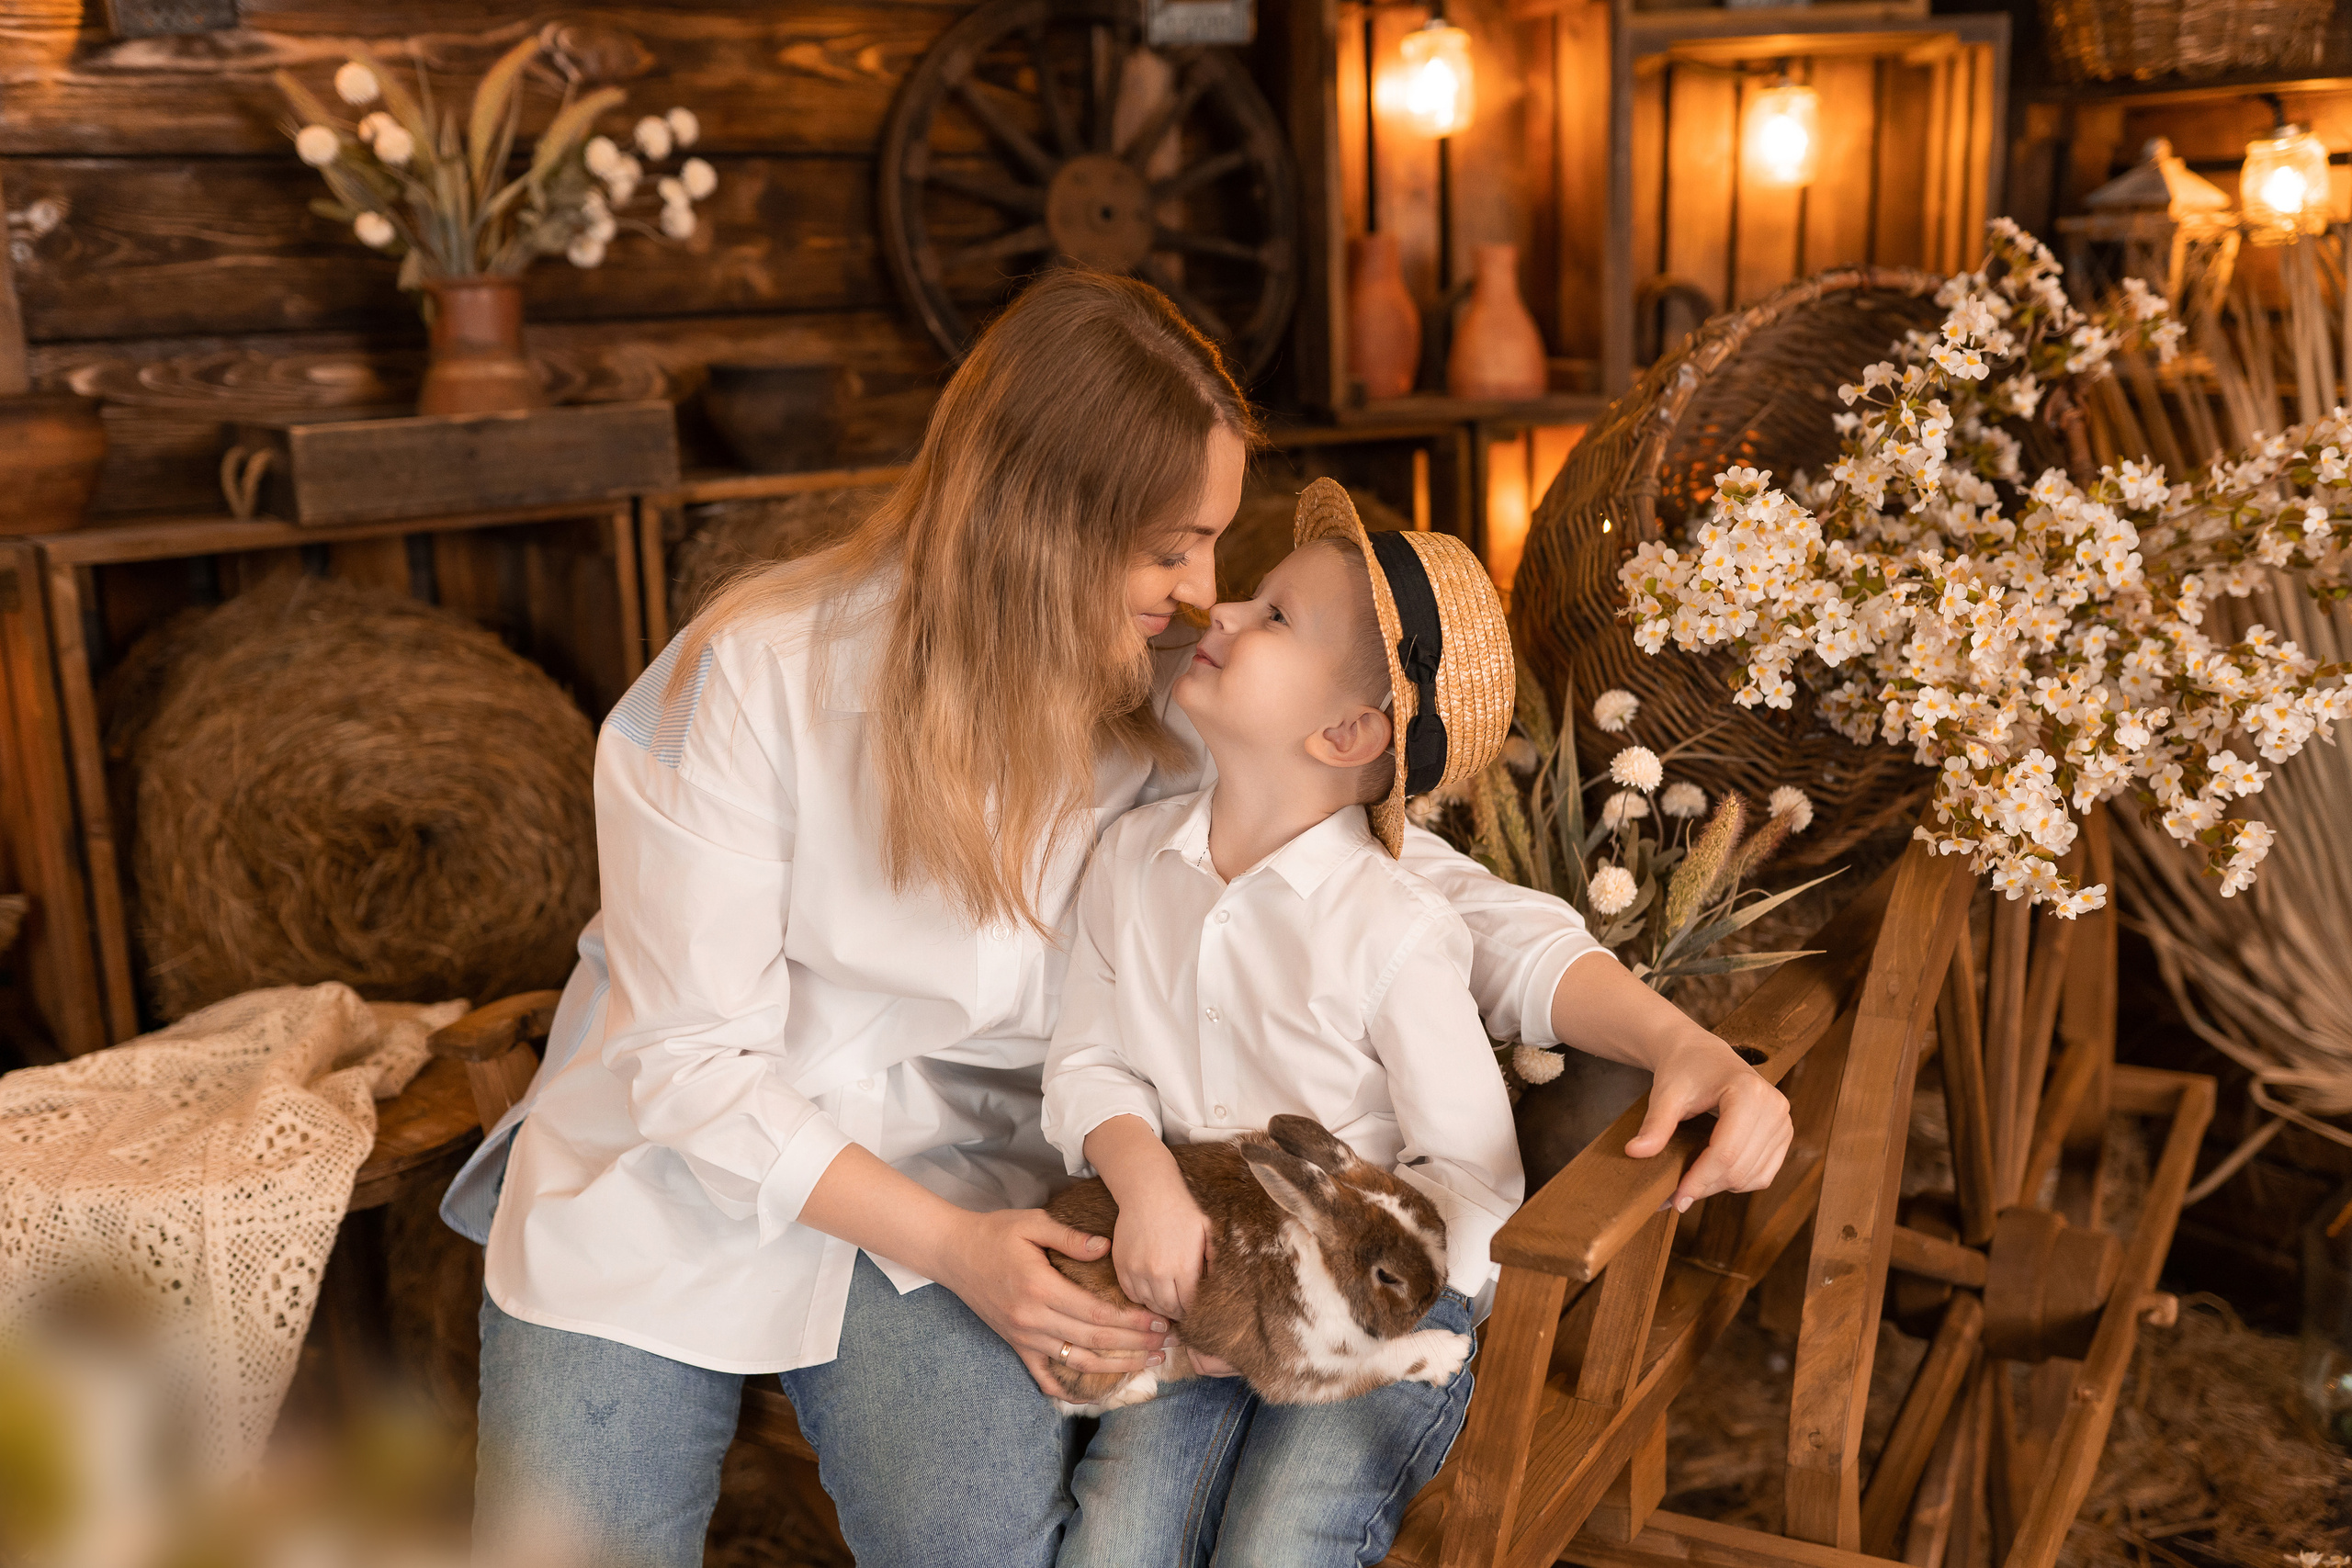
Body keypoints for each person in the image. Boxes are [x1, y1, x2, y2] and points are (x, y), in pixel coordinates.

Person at [440, 269, 1793, 1568]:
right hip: (668, 1168)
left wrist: (1682, 1039)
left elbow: (1427, 898)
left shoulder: (1174, 695)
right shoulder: (750, 677)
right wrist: (956, 1247)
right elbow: (688, 1065)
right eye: (1174, 546)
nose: (1204, 592)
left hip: (966, 1174)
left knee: (977, 1544)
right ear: (1040, 522)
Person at [1042, 483, 1531, 1565]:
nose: (1218, 614)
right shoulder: (1132, 863)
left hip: (1376, 1301)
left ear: (1348, 729)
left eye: (1272, 619)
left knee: (1281, 1542)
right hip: (1202, 1290)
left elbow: (1475, 1177)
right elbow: (1086, 1063)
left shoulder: (1388, 928)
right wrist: (1146, 1185)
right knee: (1120, 1538)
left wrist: (1332, 1296)